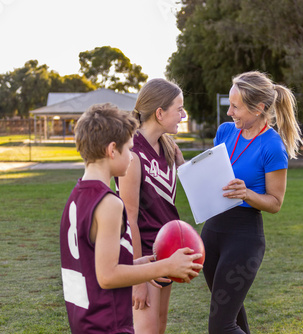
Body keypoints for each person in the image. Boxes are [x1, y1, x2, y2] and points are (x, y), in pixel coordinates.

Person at [60, 103, 202, 334]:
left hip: (85, 321)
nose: (132, 157)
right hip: (108, 324)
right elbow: (108, 276)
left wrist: (142, 264)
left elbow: (96, 267)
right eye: (129, 149)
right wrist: (167, 266)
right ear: (112, 150)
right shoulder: (109, 203)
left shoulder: (77, 195)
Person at [201, 71, 303, 334]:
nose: (229, 113)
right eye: (230, 105)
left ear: (259, 108)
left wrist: (247, 193)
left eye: (235, 107)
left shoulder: (272, 146)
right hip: (211, 234)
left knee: (221, 327)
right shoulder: (225, 132)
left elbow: (275, 203)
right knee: (232, 317)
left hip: (243, 238)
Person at [116, 78, 187, 334]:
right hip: (144, 255)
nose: (183, 115)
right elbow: (129, 219)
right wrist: (137, 279)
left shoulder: (168, 147)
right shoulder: (133, 153)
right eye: (178, 109)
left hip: (165, 251)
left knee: (159, 328)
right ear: (159, 113)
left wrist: (182, 165)